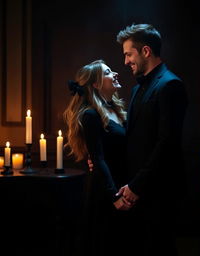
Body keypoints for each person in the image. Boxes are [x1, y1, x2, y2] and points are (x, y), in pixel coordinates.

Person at [115, 24, 188, 255]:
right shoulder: (138, 89)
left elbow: (166, 144)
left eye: (129, 54)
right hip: (135, 190)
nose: (126, 61)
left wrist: (137, 186)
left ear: (146, 51)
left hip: (160, 192)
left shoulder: (171, 85)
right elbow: (132, 136)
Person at [63, 59, 132, 256]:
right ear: (95, 84)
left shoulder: (118, 110)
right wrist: (114, 196)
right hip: (106, 189)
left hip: (124, 183)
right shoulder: (90, 115)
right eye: (108, 72)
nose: (115, 73)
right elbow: (98, 159)